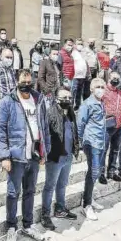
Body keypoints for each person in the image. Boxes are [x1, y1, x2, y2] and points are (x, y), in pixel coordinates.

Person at [0, 69, 50, 241]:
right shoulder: (7, 102)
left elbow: (44, 128)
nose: (27, 85)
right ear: (16, 81)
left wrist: (44, 152)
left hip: (33, 155)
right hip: (16, 156)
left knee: (30, 191)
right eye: (23, 82)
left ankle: (28, 224)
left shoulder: (38, 100)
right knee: (13, 193)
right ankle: (11, 227)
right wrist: (4, 156)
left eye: (29, 82)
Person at [41, 87, 79, 230]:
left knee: (62, 184)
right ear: (56, 98)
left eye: (69, 97)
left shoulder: (70, 112)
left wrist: (76, 148)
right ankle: (45, 215)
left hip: (68, 156)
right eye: (64, 97)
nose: (67, 100)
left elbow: (74, 131)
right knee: (50, 186)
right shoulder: (50, 113)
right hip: (55, 156)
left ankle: (60, 209)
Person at [77, 78, 107, 221]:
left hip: (101, 141)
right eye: (98, 87)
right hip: (91, 142)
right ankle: (86, 205)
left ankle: (90, 197)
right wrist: (80, 142)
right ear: (91, 89)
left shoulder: (101, 103)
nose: (101, 89)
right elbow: (80, 124)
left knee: (96, 172)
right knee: (93, 171)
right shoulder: (87, 104)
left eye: (103, 87)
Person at [99, 72, 121, 184]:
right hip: (107, 125)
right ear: (109, 78)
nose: (116, 80)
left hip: (119, 125)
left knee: (115, 150)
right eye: (114, 78)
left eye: (118, 78)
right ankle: (100, 173)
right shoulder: (103, 91)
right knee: (103, 150)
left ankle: (111, 171)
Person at [71, 39, 91, 110]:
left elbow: (86, 63)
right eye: (78, 44)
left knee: (79, 91)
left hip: (83, 76)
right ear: (75, 45)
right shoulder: (73, 53)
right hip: (75, 76)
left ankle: (77, 105)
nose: (80, 45)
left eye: (81, 44)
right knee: (73, 91)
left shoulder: (84, 53)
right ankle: (71, 106)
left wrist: (88, 73)